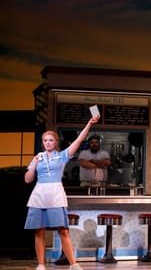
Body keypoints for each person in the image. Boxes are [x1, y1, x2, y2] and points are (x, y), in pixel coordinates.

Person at [24, 116, 100, 270]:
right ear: (42, 143)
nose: (48, 143)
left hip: (56, 195)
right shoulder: (38, 157)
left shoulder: (62, 156)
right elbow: (27, 179)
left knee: (63, 231)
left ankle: (73, 264)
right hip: (39, 196)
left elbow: (79, 140)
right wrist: (34, 163)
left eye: (51, 140)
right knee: (39, 231)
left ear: (56, 142)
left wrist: (89, 124)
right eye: (45, 140)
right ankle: (41, 264)